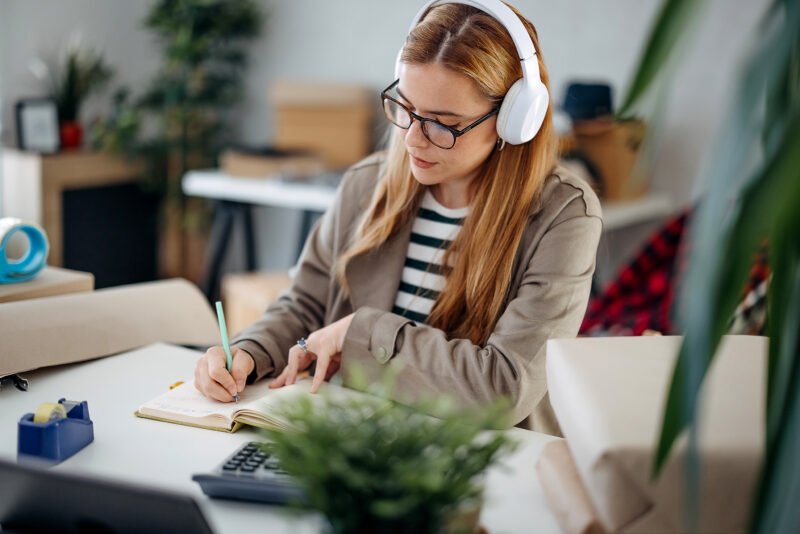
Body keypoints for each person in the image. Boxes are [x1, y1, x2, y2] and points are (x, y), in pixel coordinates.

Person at [194, 0, 601, 434]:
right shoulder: (366, 184)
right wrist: (250, 351)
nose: (412, 139)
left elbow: (503, 388)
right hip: (353, 434)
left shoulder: (564, 215)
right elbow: (306, 304)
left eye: (443, 124)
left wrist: (364, 333)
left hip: (479, 457)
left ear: (514, 119)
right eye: (406, 108)